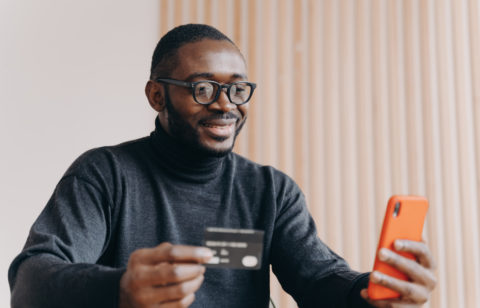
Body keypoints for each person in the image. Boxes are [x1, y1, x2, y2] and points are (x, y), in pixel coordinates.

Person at [9, 24, 436, 308]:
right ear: (157, 96)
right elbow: (30, 281)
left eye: (237, 90)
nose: (224, 105)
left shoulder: (270, 190)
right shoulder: (105, 173)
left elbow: (319, 279)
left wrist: (372, 293)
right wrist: (119, 289)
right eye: (203, 87)